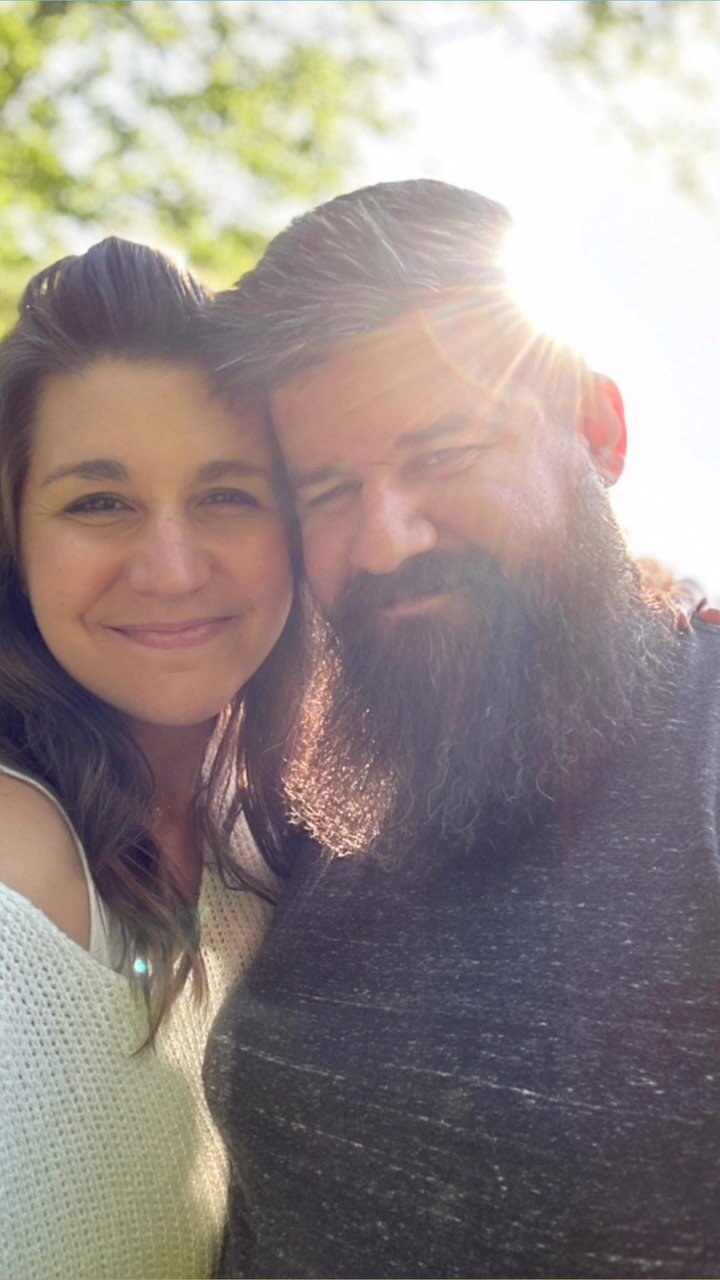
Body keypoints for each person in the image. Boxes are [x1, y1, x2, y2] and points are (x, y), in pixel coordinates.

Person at [204, 180, 720, 1279]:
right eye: (328, 491)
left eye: (444, 452)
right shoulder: (334, 787)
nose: (386, 541)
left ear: (598, 432)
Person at [0, 238, 299, 1279]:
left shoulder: (270, 846)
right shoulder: (15, 861)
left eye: (227, 495)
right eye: (99, 501)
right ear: (15, 543)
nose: (171, 569)